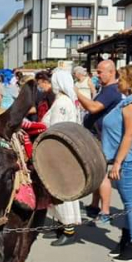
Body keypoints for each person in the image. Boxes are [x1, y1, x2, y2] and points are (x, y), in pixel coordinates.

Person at [102, 64, 132, 262]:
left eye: (121, 79)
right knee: (127, 201)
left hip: (129, 159)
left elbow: (129, 135)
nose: (118, 83)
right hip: (127, 157)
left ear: (130, 82)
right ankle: (126, 239)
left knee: (131, 203)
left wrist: (118, 163)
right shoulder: (130, 100)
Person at [76, 60, 124, 224]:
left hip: (104, 138)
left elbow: (94, 107)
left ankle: (105, 210)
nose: (97, 74)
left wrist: (76, 92)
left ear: (112, 72)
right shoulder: (106, 89)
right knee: (99, 172)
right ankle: (95, 205)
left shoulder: (112, 91)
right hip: (98, 136)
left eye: (100, 71)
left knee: (102, 175)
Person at [43, 70, 84, 246]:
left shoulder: (62, 103)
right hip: (59, 149)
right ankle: (61, 224)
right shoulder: (63, 101)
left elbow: (55, 127)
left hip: (60, 150)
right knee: (56, 189)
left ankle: (69, 229)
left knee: (62, 189)